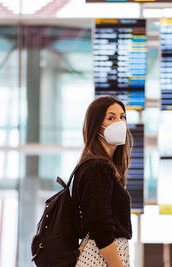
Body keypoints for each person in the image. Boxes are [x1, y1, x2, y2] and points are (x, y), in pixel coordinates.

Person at [72, 96, 133, 267]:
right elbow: (100, 227)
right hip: (100, 258)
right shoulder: (98, 168)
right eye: (111, 118)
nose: (119, 123)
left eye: (122, 117)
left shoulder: (102, 167)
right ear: (96, 125)